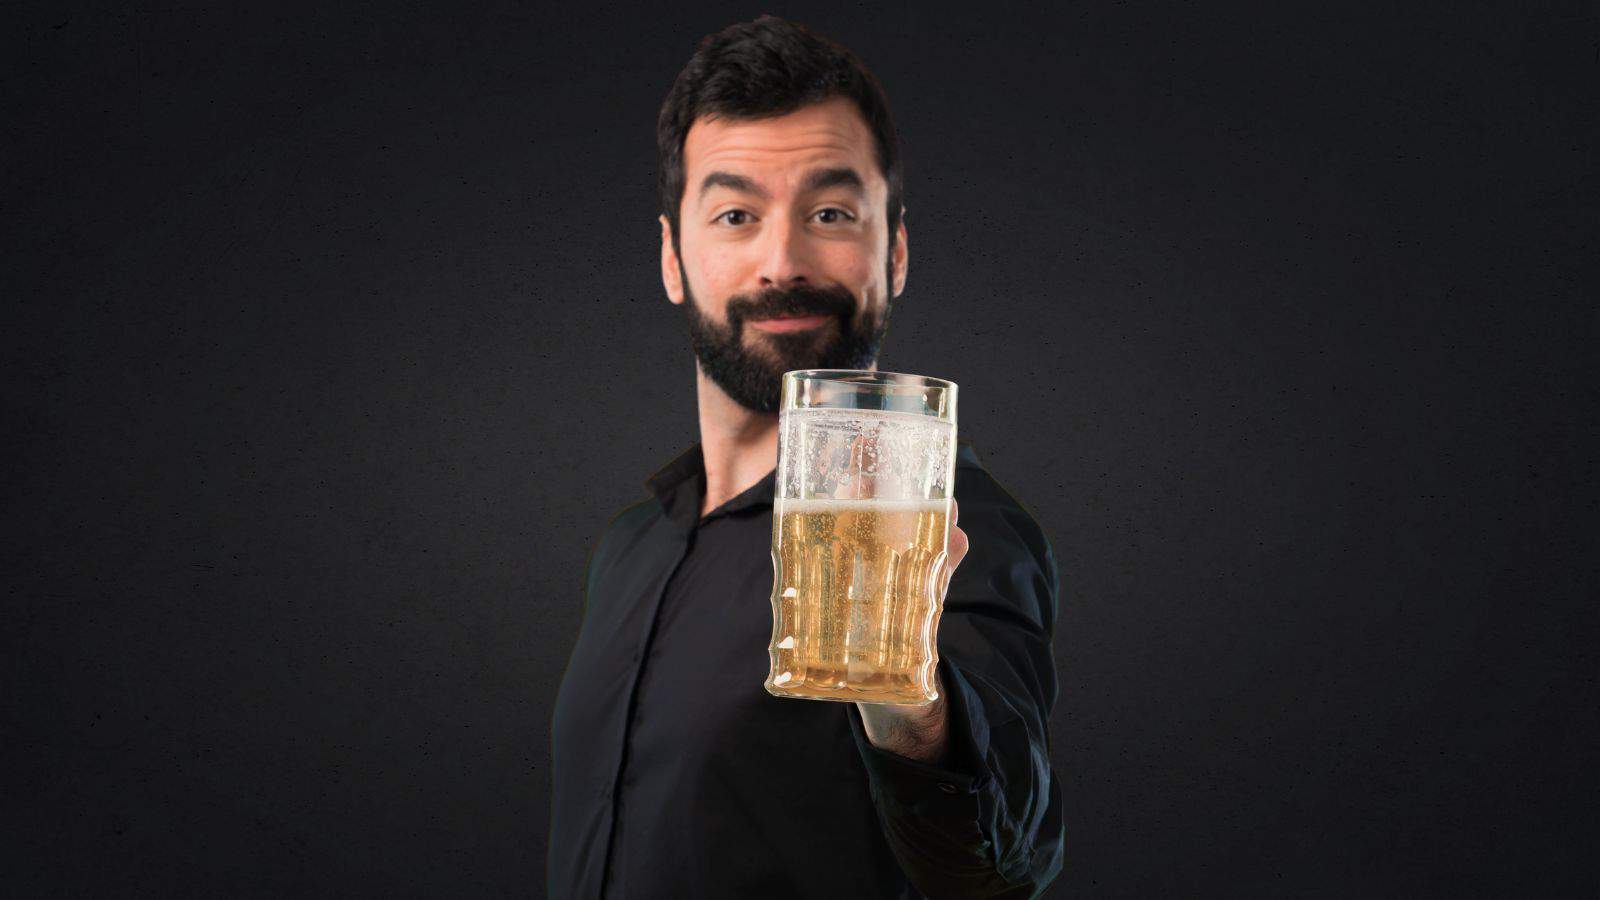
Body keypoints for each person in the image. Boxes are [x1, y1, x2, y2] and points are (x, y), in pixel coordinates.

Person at [548, 16, 1064, 899]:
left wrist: (911, 707)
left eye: (829, 212)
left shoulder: (953, 525)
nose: (781, 260)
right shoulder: (629, 545)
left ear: (893, 251)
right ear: (673, 257)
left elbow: (997, 869)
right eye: (736, 214)